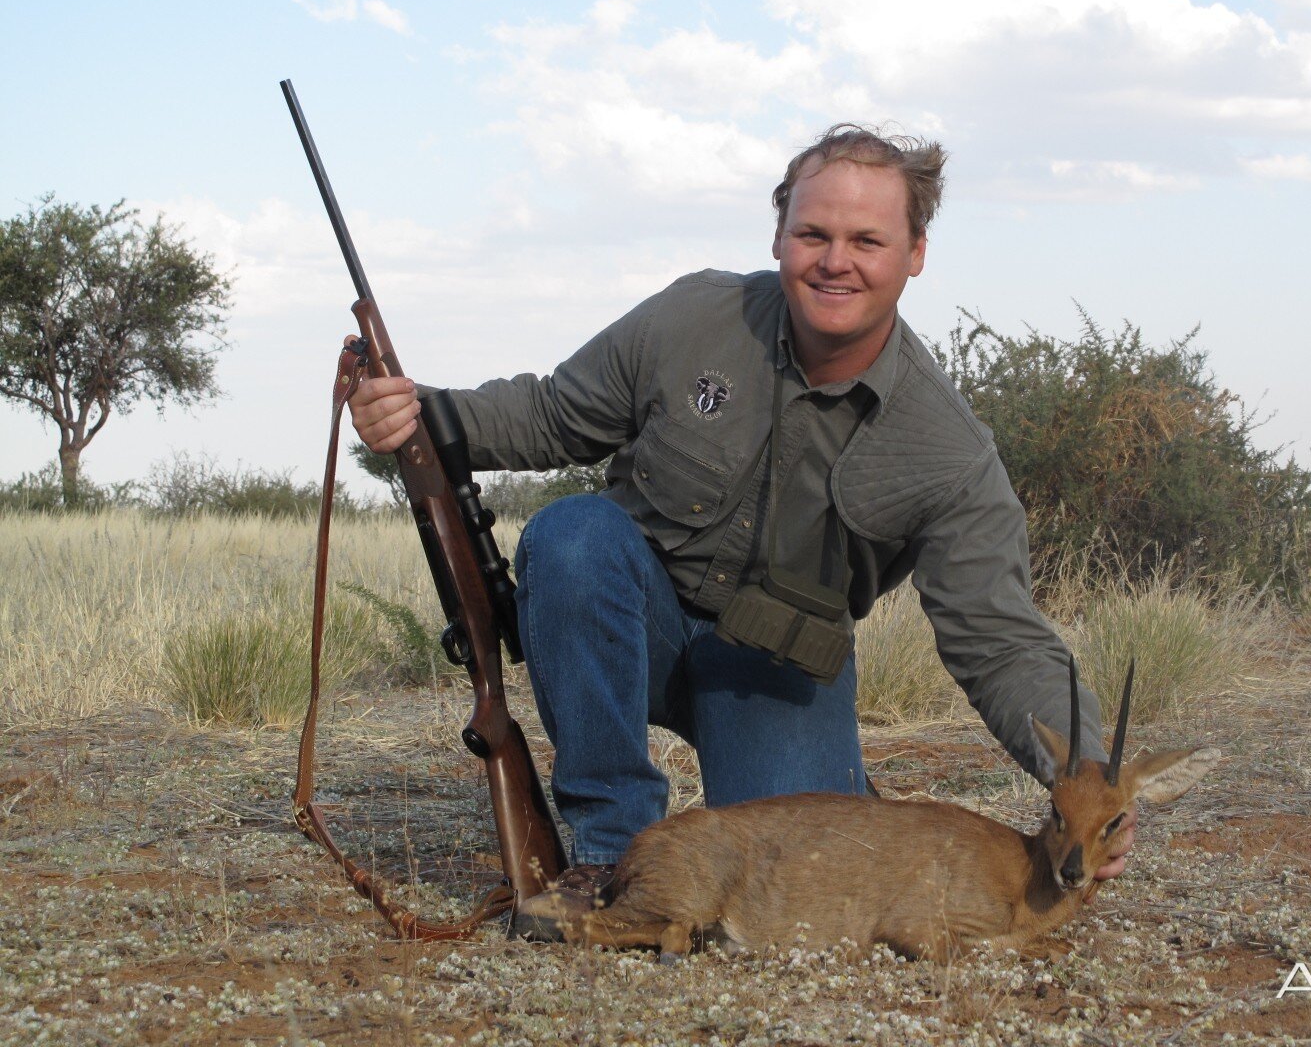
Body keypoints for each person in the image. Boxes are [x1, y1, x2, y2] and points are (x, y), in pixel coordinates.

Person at [349, 125, 1135, 938]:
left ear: (916, 254)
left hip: (776, 671)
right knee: (572, 537)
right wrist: (416, 411)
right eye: (814, 234)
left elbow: (999, 639)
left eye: (868, 240)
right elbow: (553, 413)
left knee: (792, 884)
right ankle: (609, 854)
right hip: (639, 630)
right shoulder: (695, 315)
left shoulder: (950, 451)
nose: (837, 260)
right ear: (779, 234)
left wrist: (1086, 778)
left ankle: (830, 781)